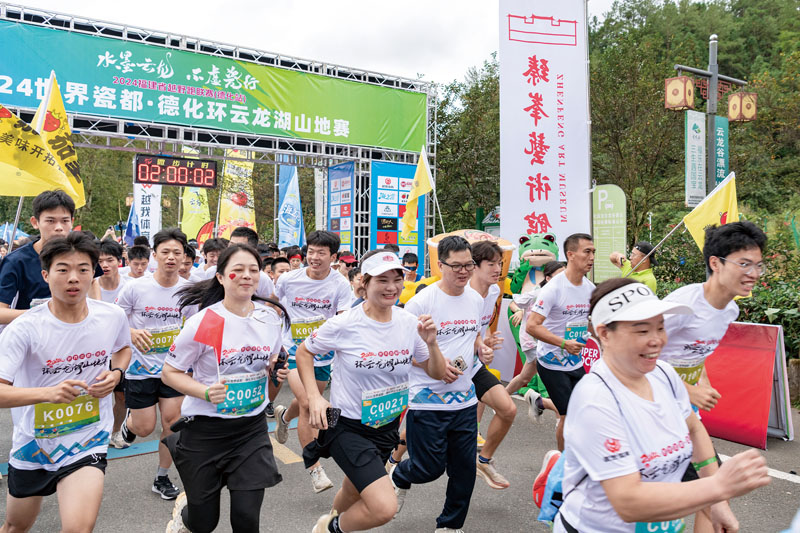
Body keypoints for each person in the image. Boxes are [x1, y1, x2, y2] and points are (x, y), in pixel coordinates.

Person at [554, 277, 770, 533]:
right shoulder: (596, 399)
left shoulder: (664, 374)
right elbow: (628, 503)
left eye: (660, 328)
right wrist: (718, 487)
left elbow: (694, 428)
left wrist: (718, 502)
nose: (657, 340)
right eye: (642, 330)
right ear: (604, 333)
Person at [301, 250, 447, 533]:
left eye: (397, 279)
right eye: (382, 280)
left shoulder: (408, 323)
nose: (392, 287)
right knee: (384, 507)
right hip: (345, 425)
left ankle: (329, 523)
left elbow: (437, 372)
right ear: (363, 283)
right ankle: (332, 529)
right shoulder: (345, 323)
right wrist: (315, 397)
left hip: (387, 425)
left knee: (355, 489)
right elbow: (304, 352)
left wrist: (432, 344)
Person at [0, 233, 131, 533]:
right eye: (63, 269)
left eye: (83, 269)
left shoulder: (111, 316)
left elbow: (123, 348)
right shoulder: (24, 328)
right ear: (46, 275)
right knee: (15, 526)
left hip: (87, 438)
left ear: (93, 273)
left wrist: (116, 374)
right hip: (34, 445)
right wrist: (47, 393)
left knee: (78, 529)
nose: (74, 278)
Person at [161, 243, 289, 533]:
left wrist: (275, 369)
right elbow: (170, 373)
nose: (247, 276)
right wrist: (204, 392)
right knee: (204, 523)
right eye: (238, 271)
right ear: (221, 277)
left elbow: (271, 359)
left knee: (246, 518)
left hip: (250, 430)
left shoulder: (269, 318)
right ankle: (185, 517)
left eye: (253, 270)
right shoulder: (204, 321)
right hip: (206, 431)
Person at [660, 221, 767, 532]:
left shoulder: (729, 309)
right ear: (715, 263)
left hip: (682, 413)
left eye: (759, 265)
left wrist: (701, 381)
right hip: (648, 409)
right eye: (744, 264)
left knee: (715, 492)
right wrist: (685, 390)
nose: (754, 274)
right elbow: (636, 356)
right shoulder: (681, 307)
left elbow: (695, 352)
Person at [392, 236, 492, 533]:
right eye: (457, 266)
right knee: (428, 469)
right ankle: (400, 476)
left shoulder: (475, 297)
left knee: (464, 470)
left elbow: (473, 336)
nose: (464, 272)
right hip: (427, 398)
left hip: (464, 399)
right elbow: (401, 350)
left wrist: (482, 348)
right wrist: (433, 366)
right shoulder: (422, 302)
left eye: (469, 266)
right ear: (440, 265)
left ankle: (449, 526)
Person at [273, 230, 352, 493]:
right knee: (309, 403)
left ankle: (284, 417)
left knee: (308, 400)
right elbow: (273, 305)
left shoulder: (340, 284)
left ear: (333, 257)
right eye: (311, 252)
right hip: (294, 351)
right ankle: (315, 468)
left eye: (321, 253)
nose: (314, 258)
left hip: (323, 355)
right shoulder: (288, 279)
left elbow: (343, 320)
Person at [115, 228, 189, 499]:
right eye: (165, 252)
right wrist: (132, 333)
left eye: (177, 253)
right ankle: (129, 426)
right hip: (140, 368)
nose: (171, 258)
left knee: (172, 423)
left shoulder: (188, 291)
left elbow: (194, 327)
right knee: (145, 427)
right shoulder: (135, 287)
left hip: (173, 369)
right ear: (154, 255)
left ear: (184, 257)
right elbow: (116, 318)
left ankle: (162, 477)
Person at [527, 233, 595, 451]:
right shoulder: (553, 289)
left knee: (584, 412)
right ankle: (564, 465)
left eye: (593, 252)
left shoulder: (590, 288)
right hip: (551, 362)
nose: (592, 257)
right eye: (587, 251)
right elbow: (532, 326)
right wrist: (563, 343)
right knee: (567, 415)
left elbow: (591, 323)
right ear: (571, 255)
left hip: (575, 361)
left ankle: (577, 456)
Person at [0, 190, 102, 325]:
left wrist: (98, 315)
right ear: (35, 222)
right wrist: (46, 313)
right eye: (50, 221)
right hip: (33, 336)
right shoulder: (16, 261)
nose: (59, 227)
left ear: (72, 222)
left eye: (64, 221)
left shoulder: (83, 253)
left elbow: (93, 282)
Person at [468, 241, 517, 490]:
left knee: (508, 410)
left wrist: (485, 342)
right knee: (421, 426)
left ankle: (483, 460)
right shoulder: (463, 292)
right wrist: (480, 343)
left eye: (500, 263)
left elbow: (479, 330)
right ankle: (393, 460)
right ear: (474, 266)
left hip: (474, 366)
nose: (498, 268)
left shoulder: (495, 291)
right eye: (491, 264)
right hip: (447, 369)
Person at [505, 260, 563, 421]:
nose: (564, 278)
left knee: (524, 377)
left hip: (547, 342)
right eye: (560, 276)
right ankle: (559, 415)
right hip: (533, 341)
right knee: (556, 377)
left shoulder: (561, 296)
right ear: (549, 278)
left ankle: (502, 399)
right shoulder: (538, 293)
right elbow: (514, 303)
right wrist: (520, 312)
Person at [97, 239, 132, 448]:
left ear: (119, 261)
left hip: (122, 351)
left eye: (109, 260)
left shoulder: (129, 286)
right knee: (96, 397)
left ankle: (115, 431)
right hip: (98, 352)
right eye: (100, 261)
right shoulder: (90, 284)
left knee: (121, 398)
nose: (105, 265)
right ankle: (96, 434)